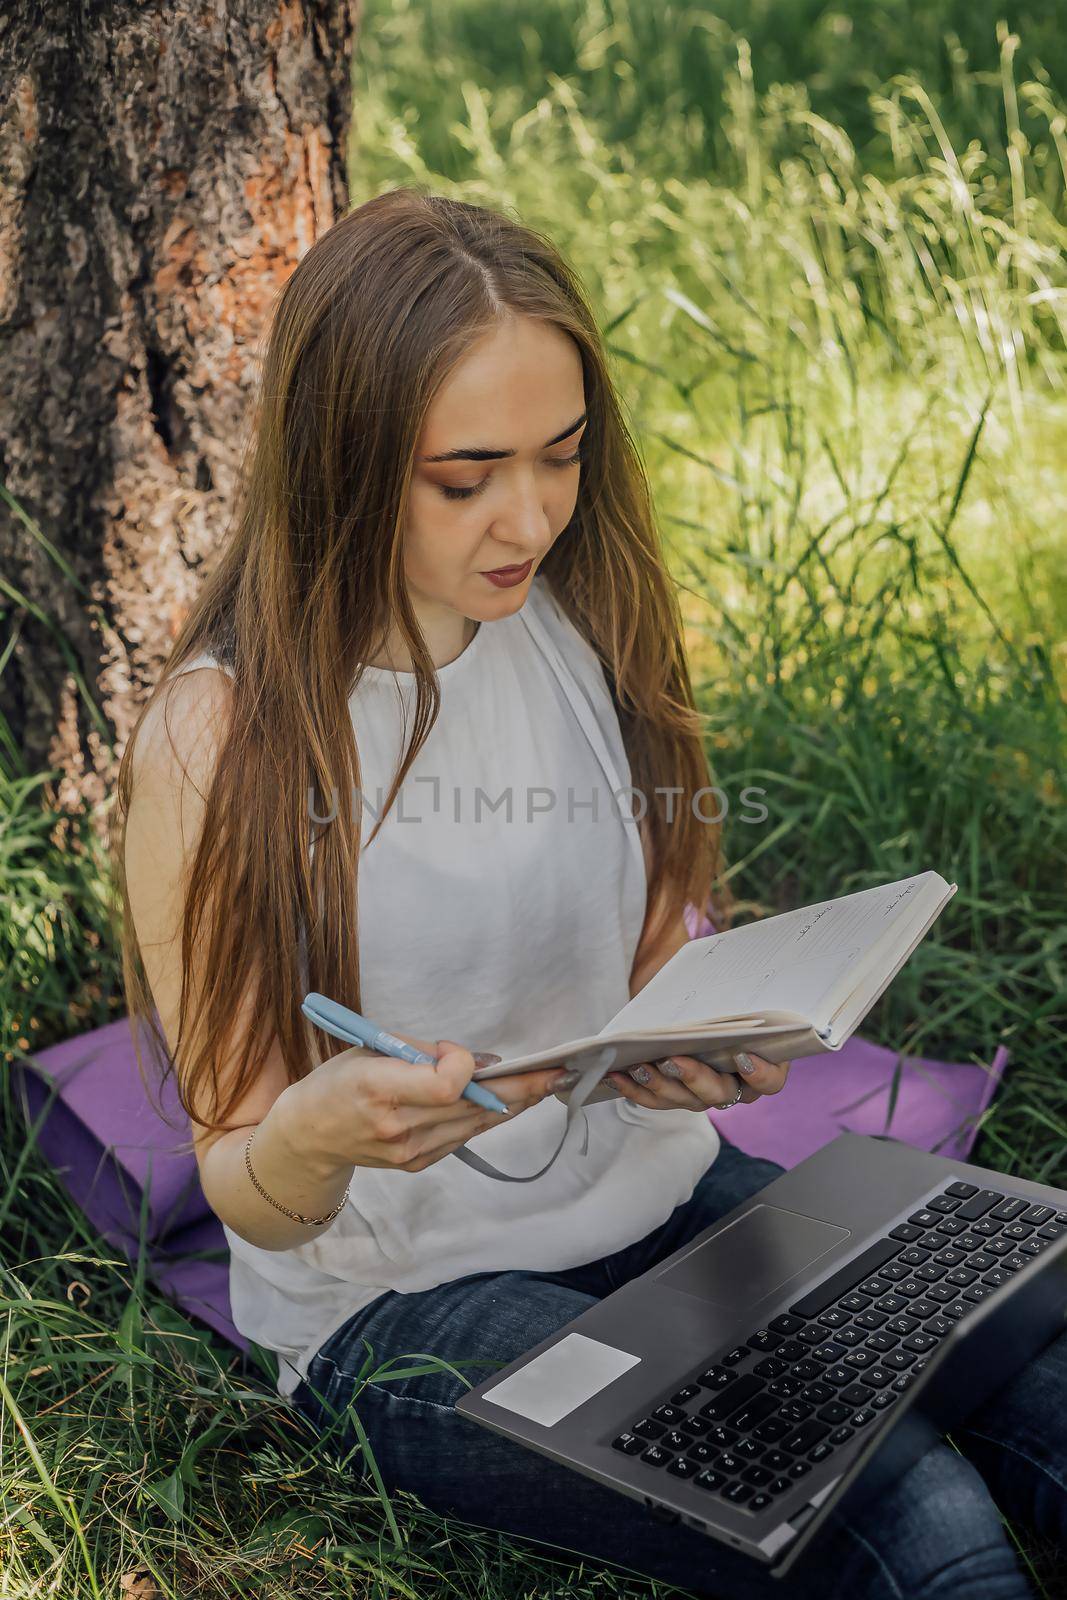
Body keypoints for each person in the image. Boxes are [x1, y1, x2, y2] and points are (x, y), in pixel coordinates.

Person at [116, 188, 1066, 1599]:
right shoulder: (218, 739)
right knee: (907, 1509)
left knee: (1035, 1354)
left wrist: (681, 1048)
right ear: (344, 463)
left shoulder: (568, 615)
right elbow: (251, 1187)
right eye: (468, 476)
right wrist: (319, 1130)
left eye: (560, 457)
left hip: (663, 1198)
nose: (533, 515)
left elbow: (622, 977)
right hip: (400, 1302)